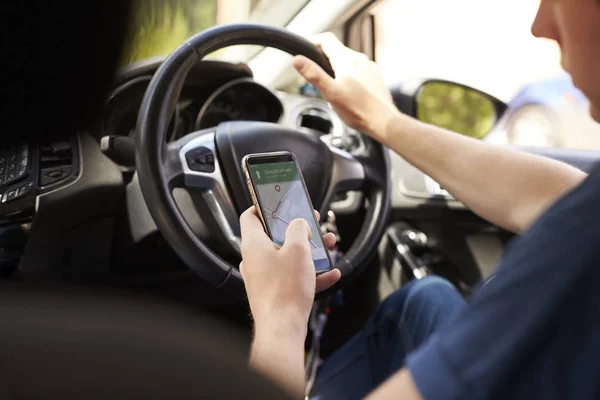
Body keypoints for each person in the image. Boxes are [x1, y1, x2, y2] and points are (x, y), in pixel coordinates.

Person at [239, 0, 600, 398]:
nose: (540, 24)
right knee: (425, 299)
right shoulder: (585, 217)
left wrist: (281, 318)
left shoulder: (582, 246)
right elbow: (562, 195)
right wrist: (381, 120)